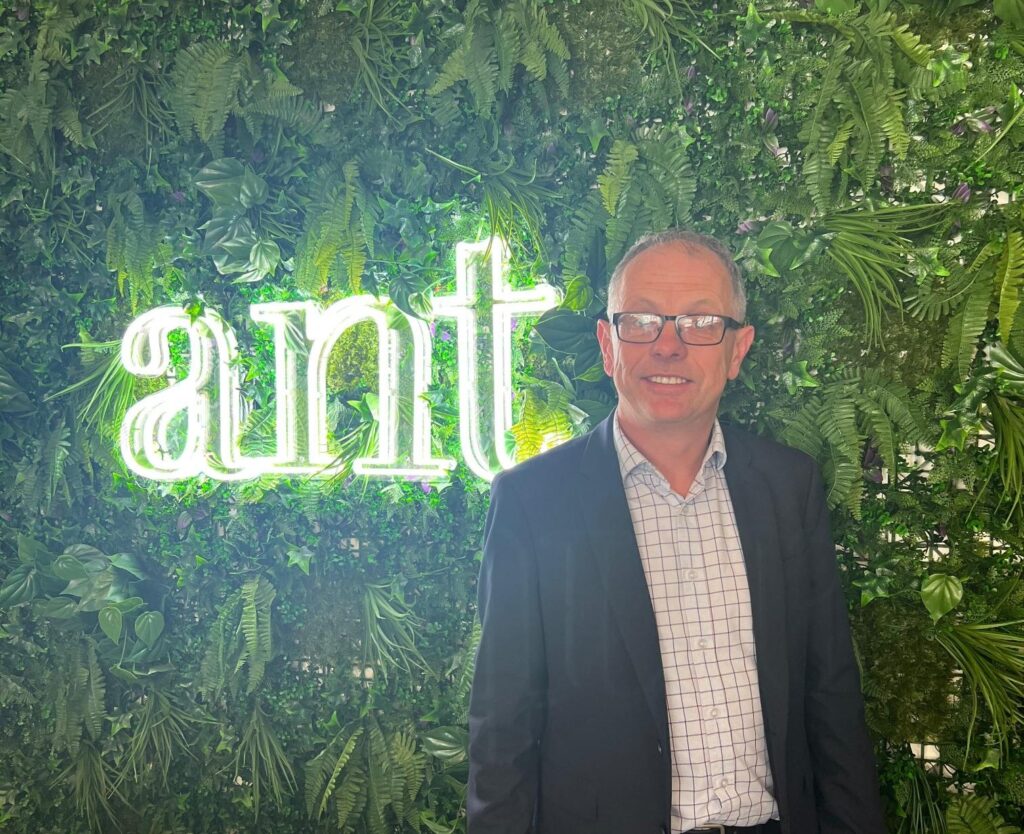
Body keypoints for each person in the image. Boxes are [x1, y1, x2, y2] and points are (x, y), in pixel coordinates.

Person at [467, 229, 886, 834]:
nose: (668, 346)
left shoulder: (787, 487)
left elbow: (830, 697)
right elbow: (502, 731)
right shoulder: (534, 502)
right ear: (608, 345)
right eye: (641, 321)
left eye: (700, 322)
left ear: (737, 351)